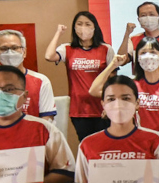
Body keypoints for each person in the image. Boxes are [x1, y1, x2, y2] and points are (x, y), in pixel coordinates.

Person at [91, 38, 159, 160]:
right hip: (137, 141)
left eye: (152, 52)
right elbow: (94, 90)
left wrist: (153, 140)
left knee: (147, 155)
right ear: (138, 58)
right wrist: (112, 65)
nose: (148, 56)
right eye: (143, 53)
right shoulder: (131, 83)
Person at [44, 12, 116, 141]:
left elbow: (113, 80)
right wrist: (58, 33)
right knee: (85, 144)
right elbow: (49, 56)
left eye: (88, 24)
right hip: (79, 109)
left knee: (105, 144)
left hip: (102, 107)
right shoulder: (67, 48)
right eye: (79, 24)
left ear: (95, 27)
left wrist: (110, 103)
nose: (83, 28)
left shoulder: (106, 49)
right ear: (74, 28)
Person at [117, 1, 159, 77]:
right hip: (141, 82)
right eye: (143, 15)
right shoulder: (133, 40)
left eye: (151, 14)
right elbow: (121, 61)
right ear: (139, 20)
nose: (148, 18)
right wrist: (127, 34)